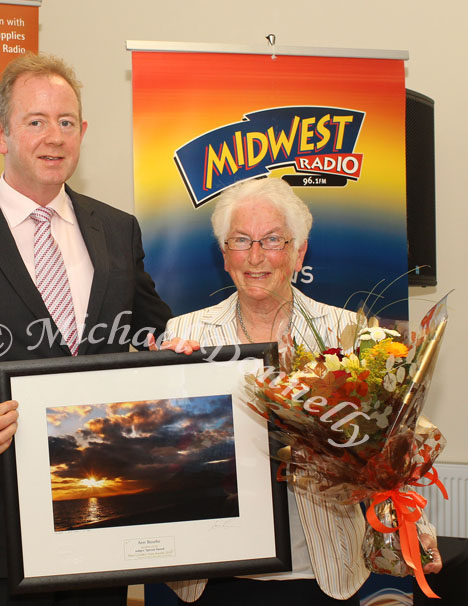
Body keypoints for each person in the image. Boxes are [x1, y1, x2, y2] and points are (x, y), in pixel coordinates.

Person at [0, 53, 172, 605]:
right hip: (1, 526)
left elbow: (152, 332)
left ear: (83, 132)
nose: (54, 137)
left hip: (104, 513)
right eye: (35, 121)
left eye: (67, 122)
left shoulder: (117, 230)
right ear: (0, 134)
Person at [162, 177, 441, 605]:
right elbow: (164, 448)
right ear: (224, 254)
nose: (256, 257)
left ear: (299, 253)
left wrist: (413, 528)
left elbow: (391, 454)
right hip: (217, 573)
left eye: (272, 240)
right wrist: (168, 378)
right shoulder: (184, 334)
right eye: (241, 240)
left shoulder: (351, 334)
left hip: (321, 571)